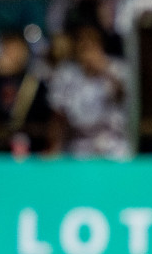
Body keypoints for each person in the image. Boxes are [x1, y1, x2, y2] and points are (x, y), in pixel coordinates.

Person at [47, 25, 129, 158]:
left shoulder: (117, 69)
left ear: (101, 47)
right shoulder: (66, 74)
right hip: (79, 146)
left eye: (93, 46)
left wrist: (105, 71)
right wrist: (54, 147)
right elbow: (58, 116)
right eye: (84, 47)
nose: (88, 53)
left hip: (113, 145)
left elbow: (124, 97)